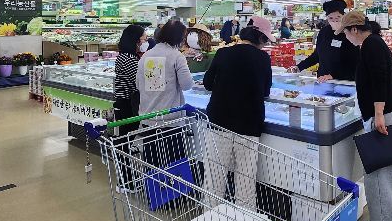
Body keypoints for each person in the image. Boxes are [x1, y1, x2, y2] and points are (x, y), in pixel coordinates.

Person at [336, 12, 392, 221]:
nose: (345, 37)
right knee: (382, 181)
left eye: (345, 32)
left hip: (382, 118)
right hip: (382, 116)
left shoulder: (371, 45)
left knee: (379, 183)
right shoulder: (373, 43)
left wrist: (378, 114)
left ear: (354, 29)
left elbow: (380, 79)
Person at [202, 16, 274, 209]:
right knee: (245, 177)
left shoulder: (223, 53)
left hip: (219, 121)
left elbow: (208, 83)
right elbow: (266, 91)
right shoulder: (263, 58)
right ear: (260, 37)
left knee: (214, 174)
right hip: (249, 123)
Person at [136, 20, 194, 167]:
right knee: (174, 166)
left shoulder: (145, 56)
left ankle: (153, 189)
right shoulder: (176, 56)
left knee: (152, 165)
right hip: (170, 121)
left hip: (148, 119)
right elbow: (187, 85)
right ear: (179, 38)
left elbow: (138, 84)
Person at [289, 0, 359, 82]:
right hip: (322, 80)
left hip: (342, 82)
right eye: (331, 18)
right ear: (327, 18)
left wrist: (334, 75)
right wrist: (299, 67)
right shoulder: (324, 32)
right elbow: (317, 55)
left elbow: (355, 63)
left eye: (338, 17)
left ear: (343, 16)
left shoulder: (350, 34)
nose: (334, 20)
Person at [113, 24, 147, 192]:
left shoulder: (124, 56)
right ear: (135, 40)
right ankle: (125, 183)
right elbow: (141, 82)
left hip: (123, 103)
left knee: (124, 141)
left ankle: (125, 180)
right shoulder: (130, 59)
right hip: (127, 104)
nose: (145, 41)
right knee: (124, 143)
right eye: (143, 39)